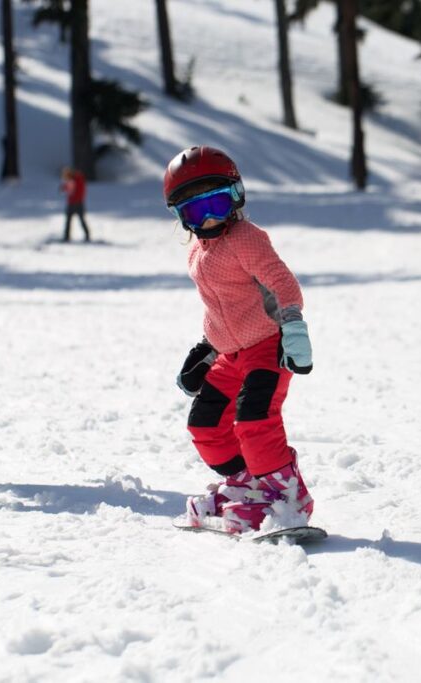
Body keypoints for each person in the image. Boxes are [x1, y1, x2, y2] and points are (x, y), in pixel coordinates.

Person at [164, 145, 315, 534]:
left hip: (267, 344)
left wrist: (293, 325)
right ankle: (249, 484)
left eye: (218, 202)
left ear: (237, 197)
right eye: (197, 211)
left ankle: (287, 497)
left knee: (254, 419)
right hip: (229, 353)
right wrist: (206, 347)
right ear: (182, 218)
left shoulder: (246, 238)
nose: (211, 218)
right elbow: (221, 303)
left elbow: (282, 283)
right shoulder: (198, 251)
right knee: (206, 425)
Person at [60, 166, 90, 242]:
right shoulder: (71, 180)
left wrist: (76, 199)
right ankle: (66, 236)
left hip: (78, 203)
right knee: (68, 221)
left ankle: (87, 235)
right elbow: (68, 188)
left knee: (81, 220)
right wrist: (63, 188)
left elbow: (80, 192)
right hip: (71, 203)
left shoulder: (78, 179)